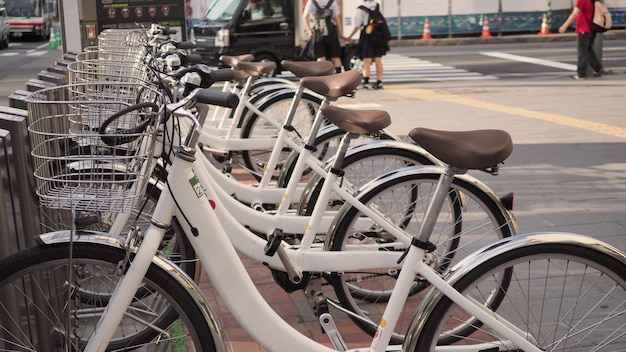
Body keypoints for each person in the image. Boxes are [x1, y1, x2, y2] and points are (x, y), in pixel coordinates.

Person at [345, 0, 389, 89]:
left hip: (367, 36)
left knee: (367, 61)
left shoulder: (361, 8)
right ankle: (379, 82)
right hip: (379, 36)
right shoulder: (377, 5)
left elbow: (358, 25)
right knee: (378, 60)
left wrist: (349, 36)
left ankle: (366, 83)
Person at [558, 0, 605, 80]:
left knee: (582, 52)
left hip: (584, 29)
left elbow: (574, 14)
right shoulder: (591, 1)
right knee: (588, 50)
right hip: (592, 29)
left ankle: (581, 74)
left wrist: (564, 26)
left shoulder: (581, 0)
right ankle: (598, 68)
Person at [303, 0, 344, 73]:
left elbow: (305, 16)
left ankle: (321, 76)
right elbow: (337, 18)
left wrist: (309, 30)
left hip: (318, 32)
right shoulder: (331, 2)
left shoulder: (312, 2)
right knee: (336, 56)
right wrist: (340, 32)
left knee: (321, 56)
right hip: (331, 32)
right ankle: (338, 75)